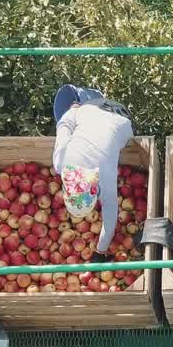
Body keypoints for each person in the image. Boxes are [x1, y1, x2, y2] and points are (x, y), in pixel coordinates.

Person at [52, 84, 134, 256]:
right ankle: (86, 98)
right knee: (66, 117)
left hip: (121, 116)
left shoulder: (105, 175)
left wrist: (100, 250)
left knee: (120, 140)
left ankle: (89, 96)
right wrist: (74, 109)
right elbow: (64, 125)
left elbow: (110, 217)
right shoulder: (60, 164)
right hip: (89, 109)